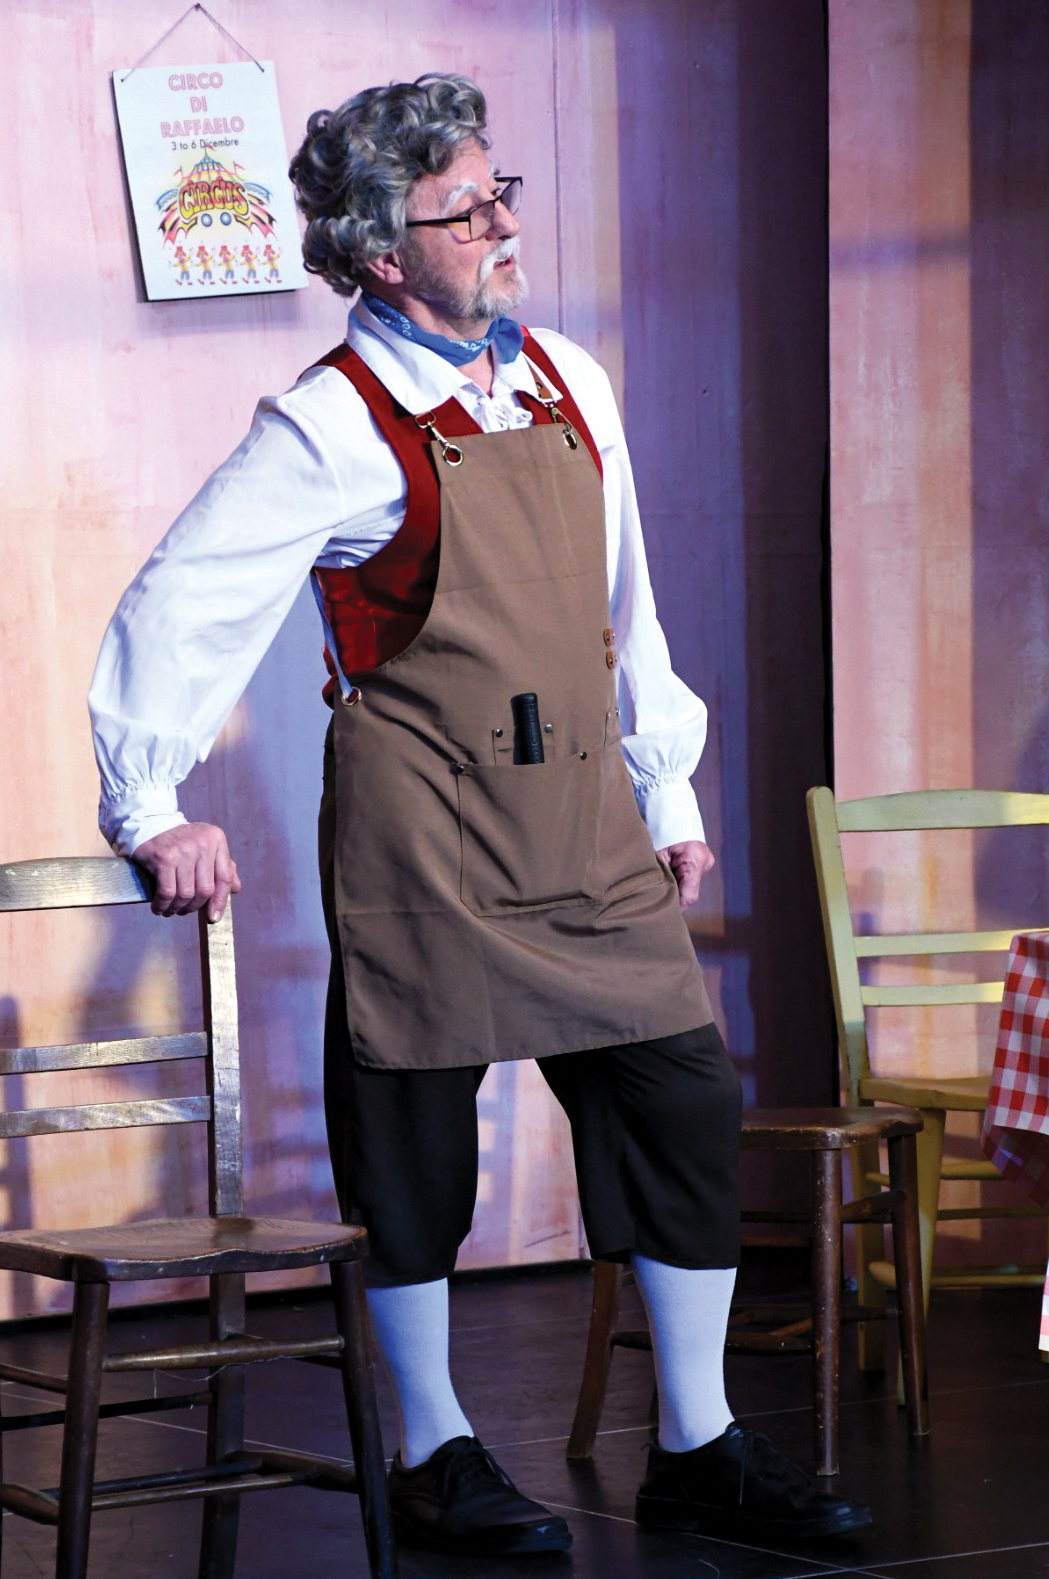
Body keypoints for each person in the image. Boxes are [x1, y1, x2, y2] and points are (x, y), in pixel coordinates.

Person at [89, 73, 870, 1558]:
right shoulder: (331, 422)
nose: (505, 226)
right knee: (414, 1147)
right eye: (467, 212)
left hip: (582, 821)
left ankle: (696, 1443)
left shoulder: (567, 377)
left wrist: (664, 783)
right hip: (427, 833)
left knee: (680, 1104)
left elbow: (626, 608)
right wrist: (151, 805)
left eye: (501, 192)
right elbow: (182, 602)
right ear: (384, 253)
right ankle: (435, 1452)